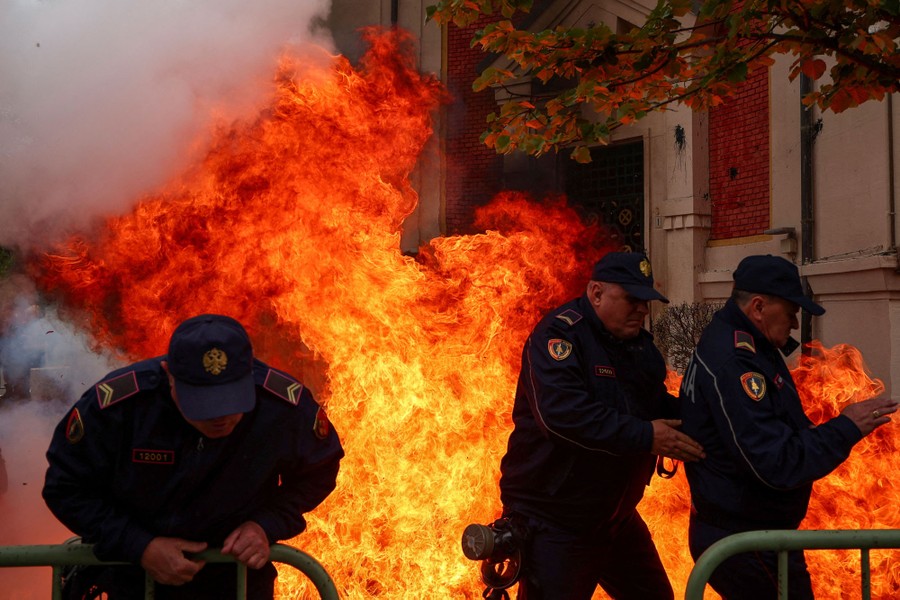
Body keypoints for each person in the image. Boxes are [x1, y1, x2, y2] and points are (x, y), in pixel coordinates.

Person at [42, 314, 344, 600]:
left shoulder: (283, 406)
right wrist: (138, 545)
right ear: (169, 375)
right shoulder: (120, 408)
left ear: (250, 375)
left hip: (237, 583)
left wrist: (266, 524)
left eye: (231, 402)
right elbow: (66, 487)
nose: (220, 418)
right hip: (136, 581)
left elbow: (319, 469)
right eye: (203, 405)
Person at [679, 254, 897, 599]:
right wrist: (846, 428)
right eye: (791, 312)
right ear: (759, 307)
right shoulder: (737, 363)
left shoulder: (746, 343)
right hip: (746, 542)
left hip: (753, 535)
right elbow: (776, 462)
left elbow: (780, 426)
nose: (795, 324)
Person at [497, 251, 705, 600]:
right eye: (632, 299)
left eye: (646, 301)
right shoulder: (559, 338)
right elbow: (563, 417)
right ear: (596, 293)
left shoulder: (638, 346)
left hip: (614, 517)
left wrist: (708, 419)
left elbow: (655, 403)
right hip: (555, 520)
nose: (642, 309)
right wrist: (646, 436)